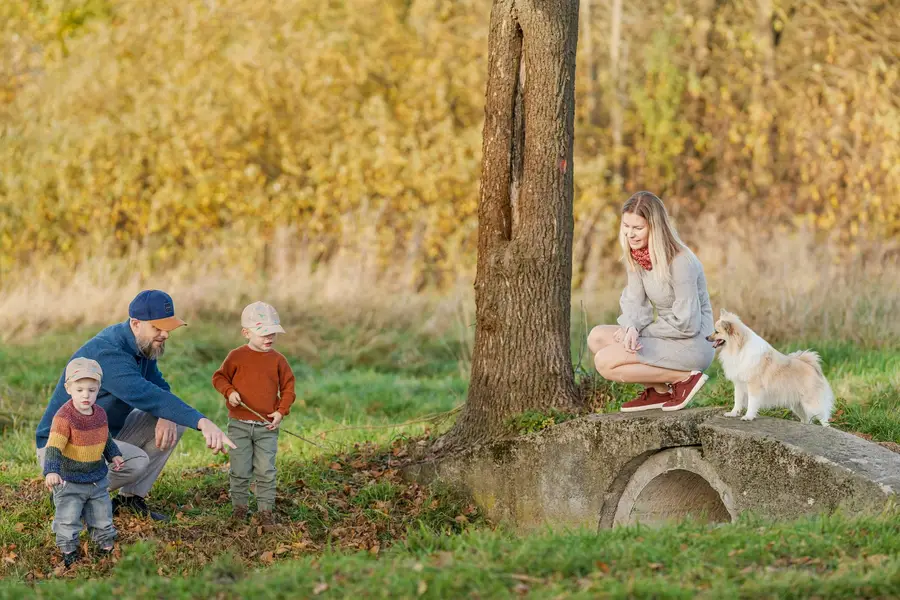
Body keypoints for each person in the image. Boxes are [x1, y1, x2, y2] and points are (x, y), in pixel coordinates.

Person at [36, 290, 236, 522]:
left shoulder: (141, 346)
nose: (165, 335)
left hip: (101, 434)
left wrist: (167, 415)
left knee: (175, 421)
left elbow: (159, 387)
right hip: (62, 447)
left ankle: (129, 500)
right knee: (136, 461)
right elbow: (147, 395)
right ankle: (68, 492)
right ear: (136, 323)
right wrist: (203, 422)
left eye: (168, 328)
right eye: (157, 328)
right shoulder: (109, 354)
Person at [588, 191, 715, 412]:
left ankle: (684, 378)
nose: (630, 234)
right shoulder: (638, 256)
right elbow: (634, 302)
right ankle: (659, 391)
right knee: (597, 337)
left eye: (638, 228)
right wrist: (631, 327)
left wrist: (642, 332)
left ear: (655, 228)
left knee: (604, 362)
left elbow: (687, 323)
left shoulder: (681, 262)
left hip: (692, 342)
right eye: (626, 226)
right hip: (665, 334)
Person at [212, 301, 296, 526]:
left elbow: (288, 387)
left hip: (266, 426)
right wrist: (229, 392)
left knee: (266, 470)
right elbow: (219, 377)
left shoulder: (278, 360)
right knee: (240, 469)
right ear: (246, 333)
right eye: (263, 333)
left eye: (272, 333)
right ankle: (239, 509)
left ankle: (265, 512)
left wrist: (281, 411)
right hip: (239, 425)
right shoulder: (236, 357)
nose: (269, 338)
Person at [43, 357, 124, 567]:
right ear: (68, 388)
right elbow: (54, 446)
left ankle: (105, 545)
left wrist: (113, 454)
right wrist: (51, 471)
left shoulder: (100, 414)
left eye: (91, 390)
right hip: (69, 480)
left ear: (99, 389)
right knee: (68, 518)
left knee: (102, 515)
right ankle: (69, 550)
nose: (86, 395)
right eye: (79, 390)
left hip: (97, 479)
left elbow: (105, 438)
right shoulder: (64, 417)